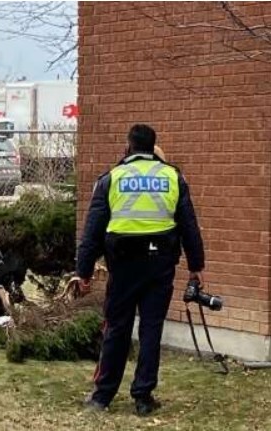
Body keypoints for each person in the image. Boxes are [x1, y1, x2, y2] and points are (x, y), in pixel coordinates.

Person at [77, 124, 205, 416]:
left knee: (116, 328)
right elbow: (189, 227)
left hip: (122, 266)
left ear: (129, 145)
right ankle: (143, 397)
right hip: (160, 266)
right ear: (153, 146)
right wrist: (196, 266)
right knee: (151, 329)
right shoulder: (173, 177)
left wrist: (82, 271)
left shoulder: (112, 179)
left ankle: (102, 397)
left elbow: (92, 231)